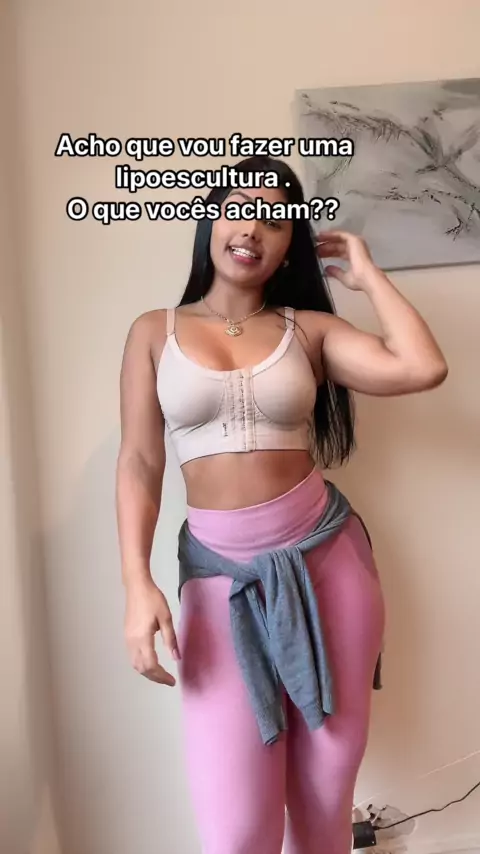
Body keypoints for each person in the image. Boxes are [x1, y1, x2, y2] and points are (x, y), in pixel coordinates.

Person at [115, 155, 448, 854]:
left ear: (292, 246)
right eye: (238, 208)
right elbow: (141, 462)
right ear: (210, 220)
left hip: (328, 566)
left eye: (274, 219)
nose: (252, 228)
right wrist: (137, 582)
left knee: (324, 810)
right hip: (219, 582)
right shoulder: (153, 331)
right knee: (237, 830)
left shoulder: (310, 331)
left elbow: (422, 368)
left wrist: (366, 273)